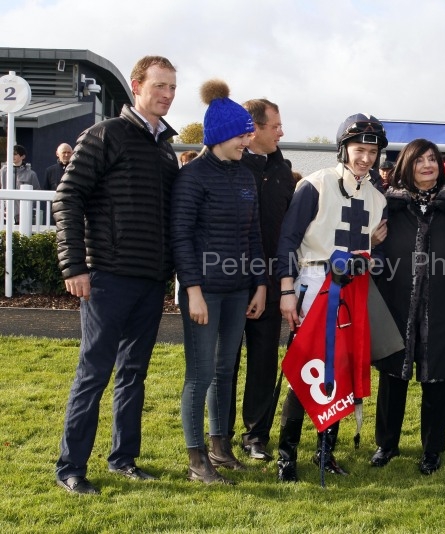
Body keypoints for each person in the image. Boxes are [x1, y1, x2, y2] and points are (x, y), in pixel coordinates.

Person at [52, 55, 179, 495]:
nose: (167, 94)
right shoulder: (105, 134)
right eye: (159, 85)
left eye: (172, 87)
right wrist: (75, 266)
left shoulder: (165, 150)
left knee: (133, 374)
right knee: (94, 373)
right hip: (107, 277)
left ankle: (124, 458)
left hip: (150, 281)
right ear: (137, 86)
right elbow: (67, 197)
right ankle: (71, 467)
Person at [274, 113, 388, 482]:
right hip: (314, 282)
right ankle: (286, 457)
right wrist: (286, 290)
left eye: (372, 151)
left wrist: (374, 248)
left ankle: (325, 453)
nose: (366, 158)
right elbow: (288, 240)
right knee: (305, 368)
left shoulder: (377, 197)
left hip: (354, 288)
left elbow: (372, 250)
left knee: (340, 370)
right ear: (344, 149)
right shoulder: (315, 184)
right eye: (359, 150)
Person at [172, 79, 266, 485]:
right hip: (205, 291)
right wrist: (192, 291)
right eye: (242, 135)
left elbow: (254, 235)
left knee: (225, 370)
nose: (248, 140)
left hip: (238, 290)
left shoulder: (245, 176)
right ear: (222, 136)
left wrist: (259, 284)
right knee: (200, 374)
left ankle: (219, 448)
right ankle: (197, 460)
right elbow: (181, 236)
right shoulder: (192, 177)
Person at [370, 139, 445, 474]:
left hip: (442, 307)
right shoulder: (387, 205)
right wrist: (370, 243)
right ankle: (386, 444)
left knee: (438, 381)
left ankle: (433, 449)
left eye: (432, 159)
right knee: (393, 379)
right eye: (420, 160)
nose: (428, 165)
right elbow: (369, 252)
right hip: (397, 303)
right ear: (407, 165)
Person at [227, 97, 294, 462]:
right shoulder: (228, 166)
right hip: (230, 283)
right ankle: (219, 435)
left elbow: (288, 233)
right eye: (276, 126)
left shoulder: (283, 170)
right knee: (225, 363)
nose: (281, 132)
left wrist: (284, 281)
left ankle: (256, 436)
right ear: (253, 129)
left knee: (264, 362)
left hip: (270, 282)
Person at [1, 144, 40, 223]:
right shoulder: (2, 172)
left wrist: (27, 206)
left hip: (23, 214)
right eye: (10, 153)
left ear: (23, 156)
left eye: (15, 154)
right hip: (4, 213)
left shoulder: (31, 174)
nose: (12, 156)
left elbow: (37, 192)